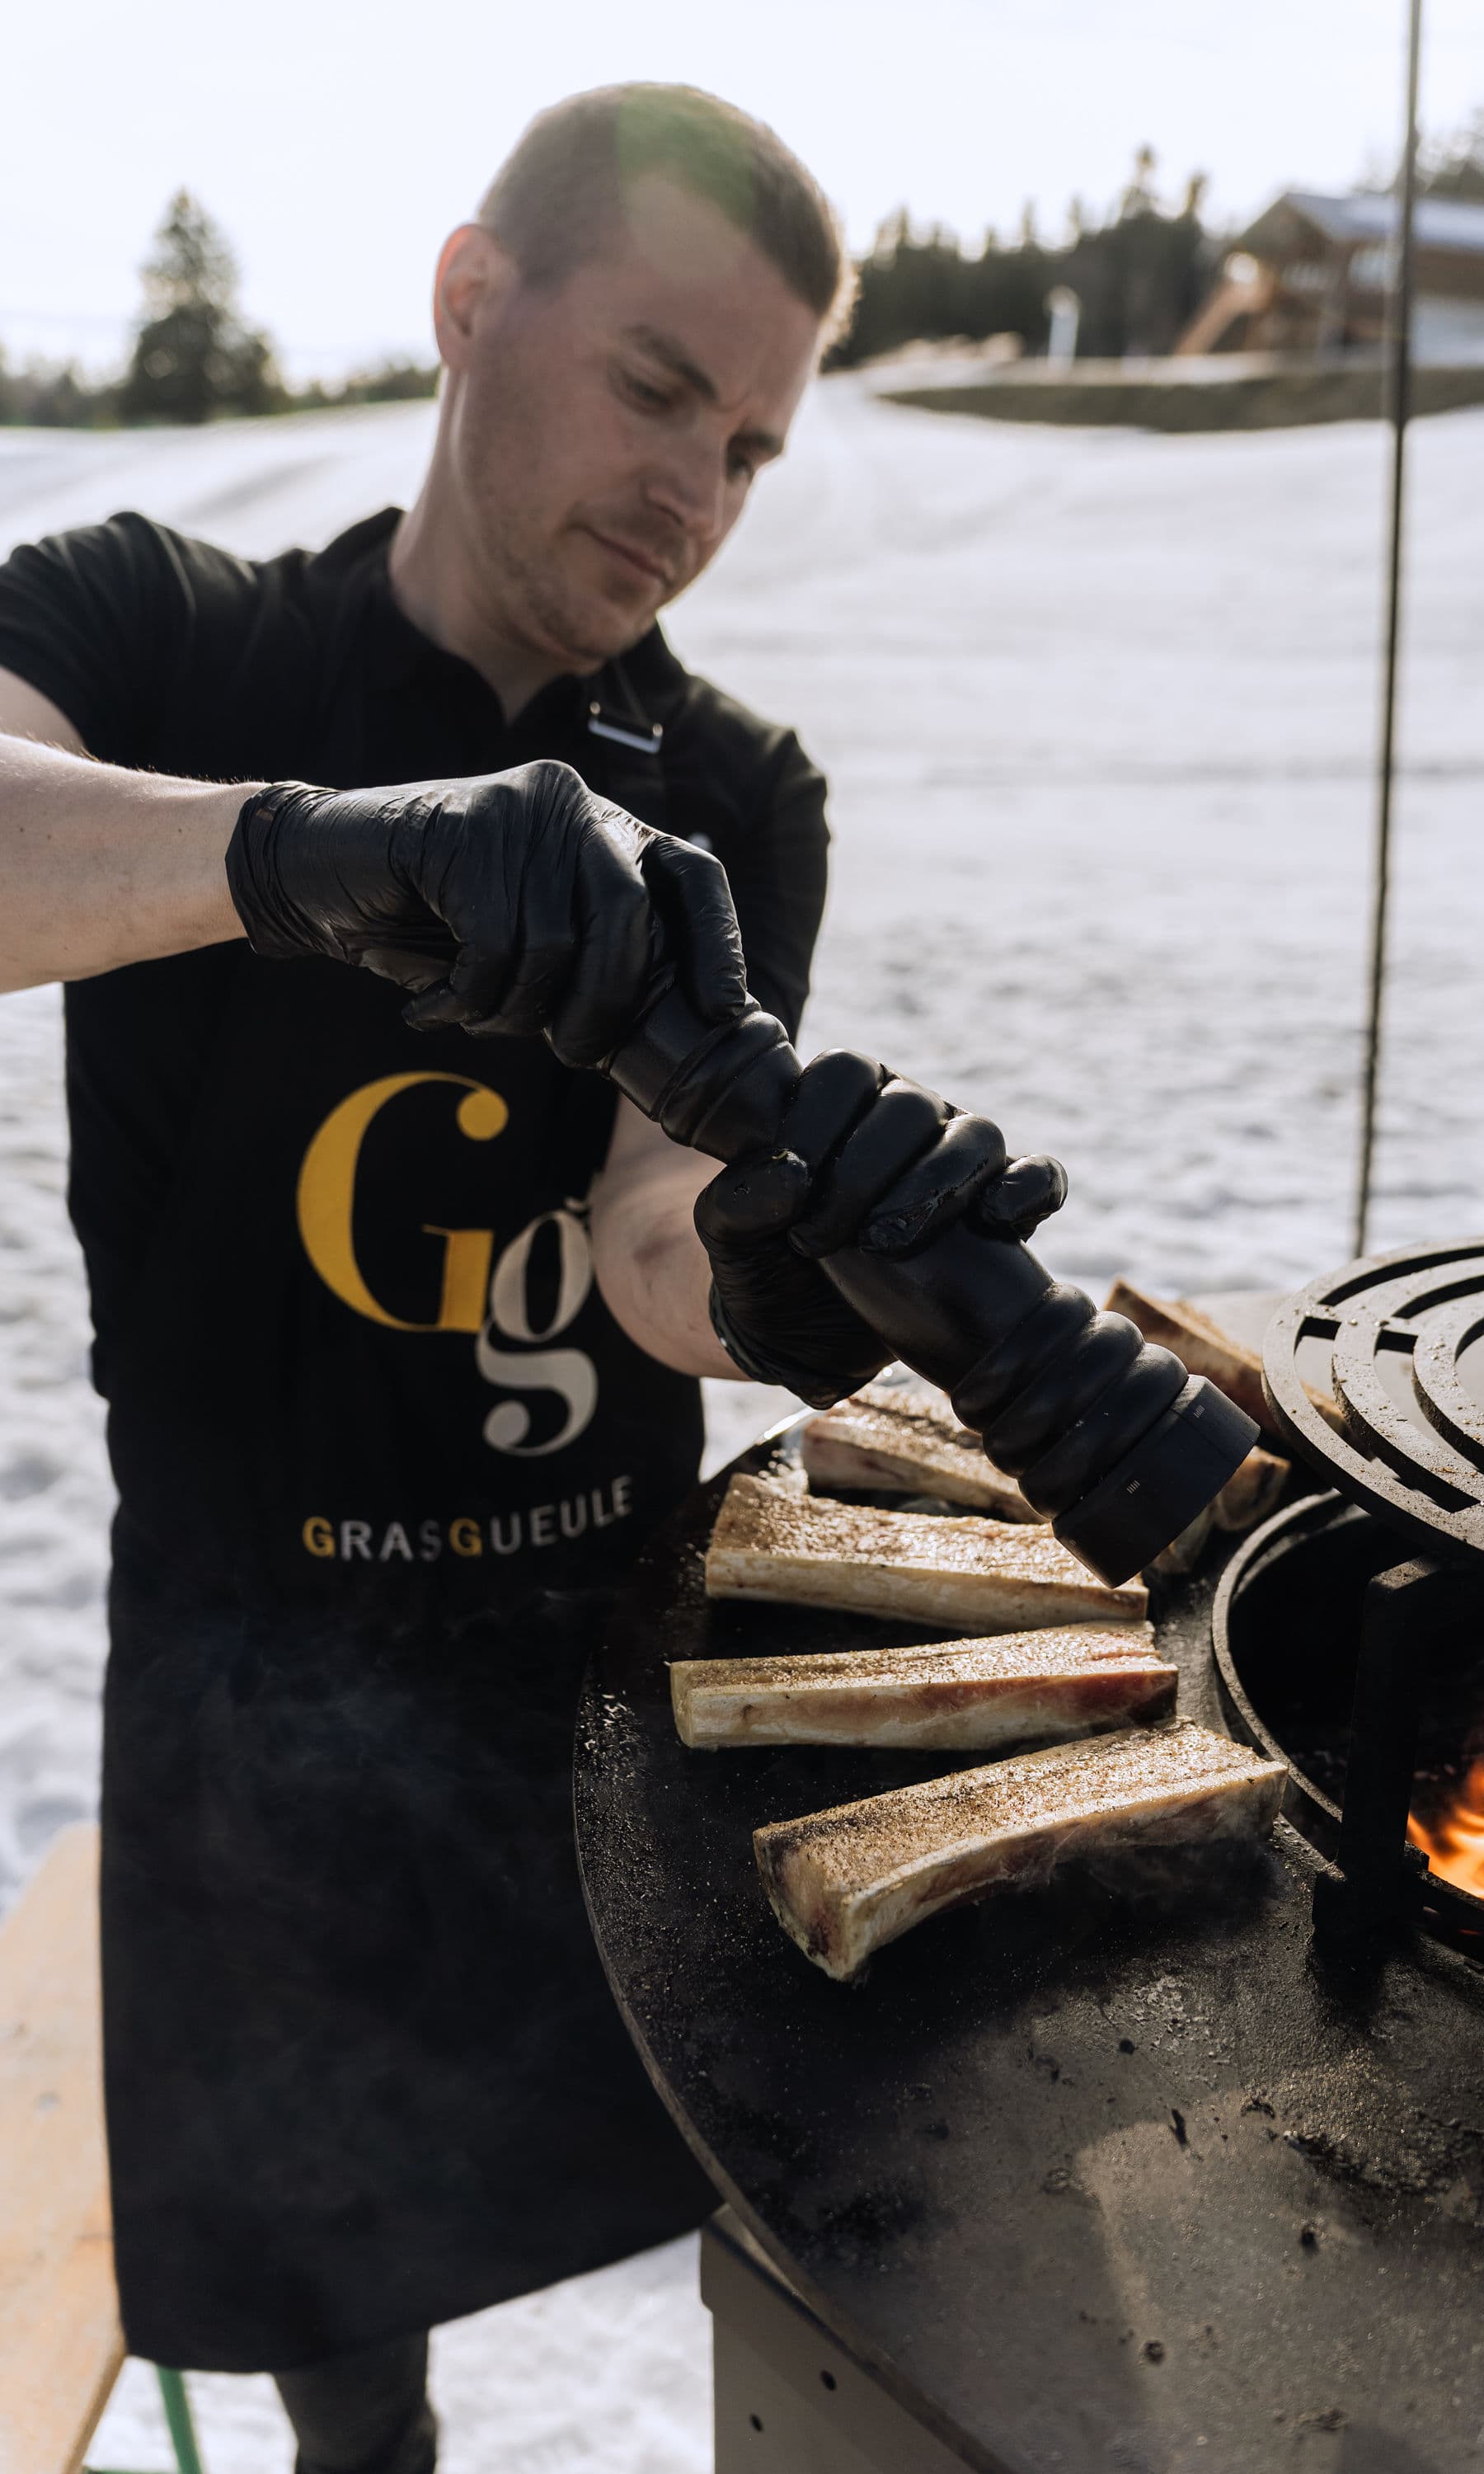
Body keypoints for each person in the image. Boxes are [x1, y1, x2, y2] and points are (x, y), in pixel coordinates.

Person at [0, 85, 1064, 2472]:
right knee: (337, 2357)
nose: (697, 486)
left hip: (595, 1690)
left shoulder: (732, 787)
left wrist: (787, 1283)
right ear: (476, 302)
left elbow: (649, 1221)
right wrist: (295, 856)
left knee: (763, 2242)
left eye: (759, 446)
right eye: (659, 387)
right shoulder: (169, 631)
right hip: (251, 1688)